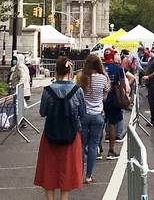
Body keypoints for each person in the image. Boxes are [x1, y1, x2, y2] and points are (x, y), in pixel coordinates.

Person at [34, 57, 85, 200]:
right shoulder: (77, 90)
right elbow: (83, 113)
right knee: (67, 171)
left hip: (50, 133)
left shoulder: (48, 90)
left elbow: (42, 112)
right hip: (71, 134)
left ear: (56, 71)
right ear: (70, 71)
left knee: (49, 170)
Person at [78, 54, 109, 183]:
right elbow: (105, 97)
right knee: (93, 145)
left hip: (84, 114)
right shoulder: (103, 78)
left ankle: (79, 173)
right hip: (97, 115)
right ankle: (88, 175)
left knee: (81, 144)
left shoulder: (81, 77)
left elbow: (78, 95)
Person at [102, 49, 125, 158]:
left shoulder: (100, 68)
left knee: (100, 124)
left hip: (101, 98)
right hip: (113, 98)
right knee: (112, 125)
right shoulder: (118, 68)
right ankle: (111, 150)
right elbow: (123, 84)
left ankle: (98, 148)